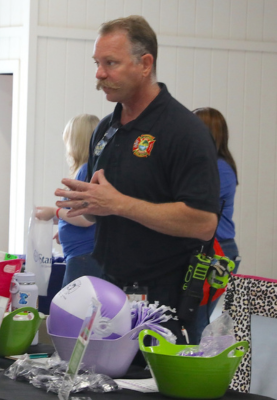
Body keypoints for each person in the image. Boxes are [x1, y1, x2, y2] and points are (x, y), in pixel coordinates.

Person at [55, 16, 220, 344]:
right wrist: (91, 206)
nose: (99, 74)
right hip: (108, 292)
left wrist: (119, 204)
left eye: (111, 63)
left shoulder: (183, 131)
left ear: (145, 64)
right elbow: (107, 207)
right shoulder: (106, 129)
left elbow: (203, 223)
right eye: (97, 63)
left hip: (162, 301)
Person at [35, 114, 103, 287]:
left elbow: (86, 217)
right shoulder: (92, 170)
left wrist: (54, 212)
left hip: (84, 257)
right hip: (84, 255)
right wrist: (64, 224)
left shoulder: (85, 171)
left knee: (73, 311)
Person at [192, 107, 241, 338]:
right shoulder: (209, 166)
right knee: (192, 318)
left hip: (218, 251)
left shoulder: (219, 168)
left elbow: (194, 204)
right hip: (207, 248)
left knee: (199, 320)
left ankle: (197, 370)